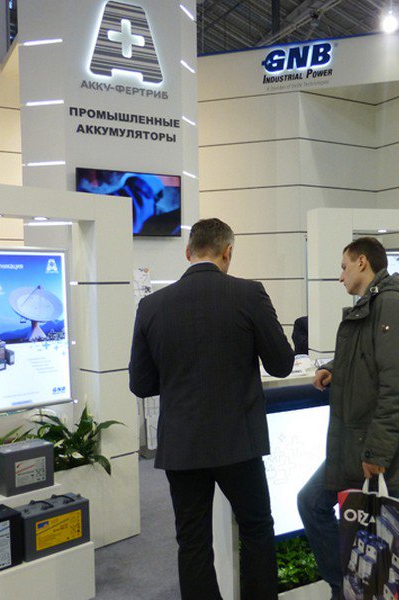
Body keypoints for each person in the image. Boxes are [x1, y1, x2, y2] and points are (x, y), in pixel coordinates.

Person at [129, 218, 294, 600]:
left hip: (182, 445)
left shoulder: (151, 306)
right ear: (228, 252)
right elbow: (282, 364)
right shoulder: (249, 294)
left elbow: (141, 384)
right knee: (256, 529)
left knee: (192, 541)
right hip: (239, 442)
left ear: (188, 252)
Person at [297, 237, 399, 599]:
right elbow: (371, 358)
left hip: (376, 448)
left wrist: (377, 451)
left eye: (344, 266)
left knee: (377, 548)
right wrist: (335, 368)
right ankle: (344, 587)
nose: (340, 275)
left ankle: (343, 588)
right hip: (361, 442)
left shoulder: (391, 305)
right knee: (365, 537)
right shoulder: (375, 302)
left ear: (362, 262)